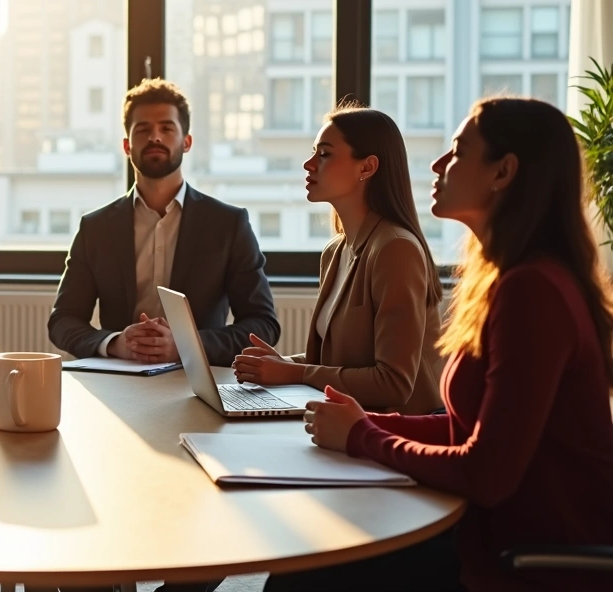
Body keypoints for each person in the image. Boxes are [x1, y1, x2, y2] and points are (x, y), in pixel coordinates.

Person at [296, 97, 613, 592]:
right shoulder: (508, 279)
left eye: (457, 151)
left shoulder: (533, 291)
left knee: (305, 577)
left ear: (503, 172)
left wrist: (362, 437)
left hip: (527, 560)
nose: (437, 164)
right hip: (486, 530)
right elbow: (469, 427)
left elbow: (485, 470)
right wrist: (366, 422)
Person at [48, 78, 279, 364]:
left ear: (187, 142)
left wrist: (188, 346)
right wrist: (114, 343)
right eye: (143, 129)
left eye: (167, 128)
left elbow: (263, 324)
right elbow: (63, 321)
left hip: (197, 380)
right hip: (120, 377)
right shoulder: (95, 228)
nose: (155, 137)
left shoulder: (228, 224)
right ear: (126, 146)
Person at [231, 104, 444, 414]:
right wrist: (278, 365)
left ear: (367, 168)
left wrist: (293, 373)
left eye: (324, 154)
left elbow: (393, 384)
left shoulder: (396, 249)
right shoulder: (336, 251)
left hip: (401, 431)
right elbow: (335, 364)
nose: (308, 164)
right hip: (350, 422)